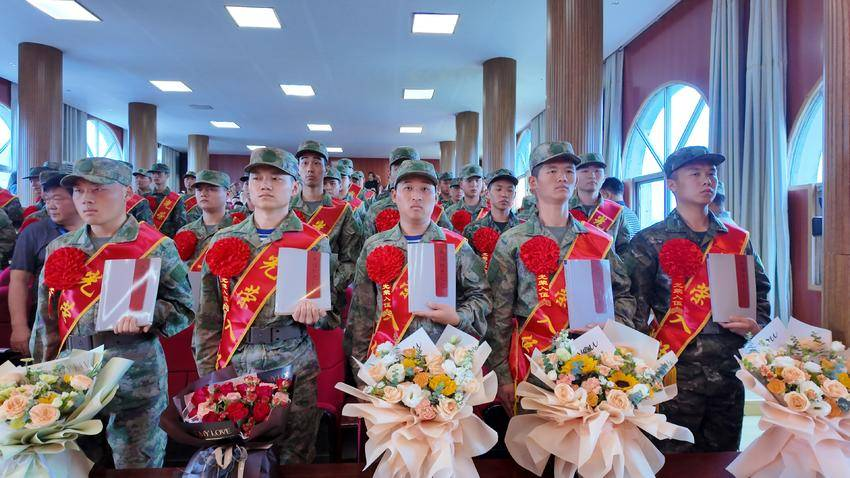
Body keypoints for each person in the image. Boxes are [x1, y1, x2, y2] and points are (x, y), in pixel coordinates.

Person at [32, 157, 193, 468]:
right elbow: (46, 317)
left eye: (99, 189)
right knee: (77, 465)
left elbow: (184, 309)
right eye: (79, 191)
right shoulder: (61, 247)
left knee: (138, 465)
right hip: (73, 373)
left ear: (127, 192)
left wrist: (149, 315)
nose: (86, 199)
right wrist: (41, 373)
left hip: (135, 373)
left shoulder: (156, 246)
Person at [194, 147, 337, 464]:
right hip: (236, 361)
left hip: (295, 363)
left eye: (276, 178)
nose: (265, 185)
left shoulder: (313, 241)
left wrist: (316, 315)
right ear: (246, 186)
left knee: (296, 456)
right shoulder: (223, 240)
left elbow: (330, 315)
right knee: (238, 458)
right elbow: (207, 318)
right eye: (257, 178)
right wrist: (210, 376)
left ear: (295, 187)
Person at [624, 145, 771, 453]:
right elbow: (633, 306)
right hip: (674, 372)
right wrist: (635, 368)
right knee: (672, 459)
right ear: (672, 184)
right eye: (695, 174)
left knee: (722, 459)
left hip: (728, 369)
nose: (707, 180)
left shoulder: (735, 239)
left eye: (711, 173)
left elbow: (759, 291)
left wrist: (756, 325)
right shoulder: (649, 240)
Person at [485, 142, 636, 414]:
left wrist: (612, 326)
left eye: (568, 171)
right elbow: (499, 314)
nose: (562, 178)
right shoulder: (512, 241)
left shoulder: (597, 240)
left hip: (591, 363)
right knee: (533, 438)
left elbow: (623, 293)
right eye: (552, 171)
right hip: (533, 365)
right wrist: (502, 375)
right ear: (533, 182)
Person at [345, 159, 491, 368]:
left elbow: (482, 297)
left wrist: (458, 317)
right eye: (408, 188)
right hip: (386, 362)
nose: (416, 196)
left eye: (425, 189)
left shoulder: (455, 246)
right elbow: (362, 313)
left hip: (442, 363)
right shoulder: (374, 246)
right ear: (394, 195)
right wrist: (361, 368)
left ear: (436, 196)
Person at [9, 171, 83, 356]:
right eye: (47, 199)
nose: (50, 205)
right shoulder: (33, 233)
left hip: (87, 320)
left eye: (57, 199)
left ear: (77, 197)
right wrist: (19, 326)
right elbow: (18, 281)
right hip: (46, 321)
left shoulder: (97, 230)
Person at [360, 147, 452, 236]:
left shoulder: (434, 210)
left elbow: (449, 238)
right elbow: (368, 242)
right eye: (398, 168)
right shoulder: (376, 210)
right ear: (389, 173)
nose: (404, 170)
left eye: (410, 166)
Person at [570, 153, 633, 255]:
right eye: (585, 171)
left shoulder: (615, 211)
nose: (592, 175)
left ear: (604, 177)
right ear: (574, 177)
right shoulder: (562, 208)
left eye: (597, 171)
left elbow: (624, 249)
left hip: (606, 265)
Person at [463, 168, 523, 270]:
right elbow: (467, 268)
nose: (504, 194)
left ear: (515, 195)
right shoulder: (472, 230)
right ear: (487, 194)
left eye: (509, 190)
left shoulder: (524, 229)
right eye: (498, 189)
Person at [174, 170, 236, 268]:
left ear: (227, 194)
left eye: (211, 189)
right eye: (199, 189)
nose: (203, 193)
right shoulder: (185, 231)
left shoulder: (239, 229)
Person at [146, 163, 187, 237]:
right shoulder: (146, 197)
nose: (155, 176)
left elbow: (180, 224)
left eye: (159, 173)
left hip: (167, 239)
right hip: (148, 238)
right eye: (153, 173)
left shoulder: (175, 199)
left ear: (167, 175)